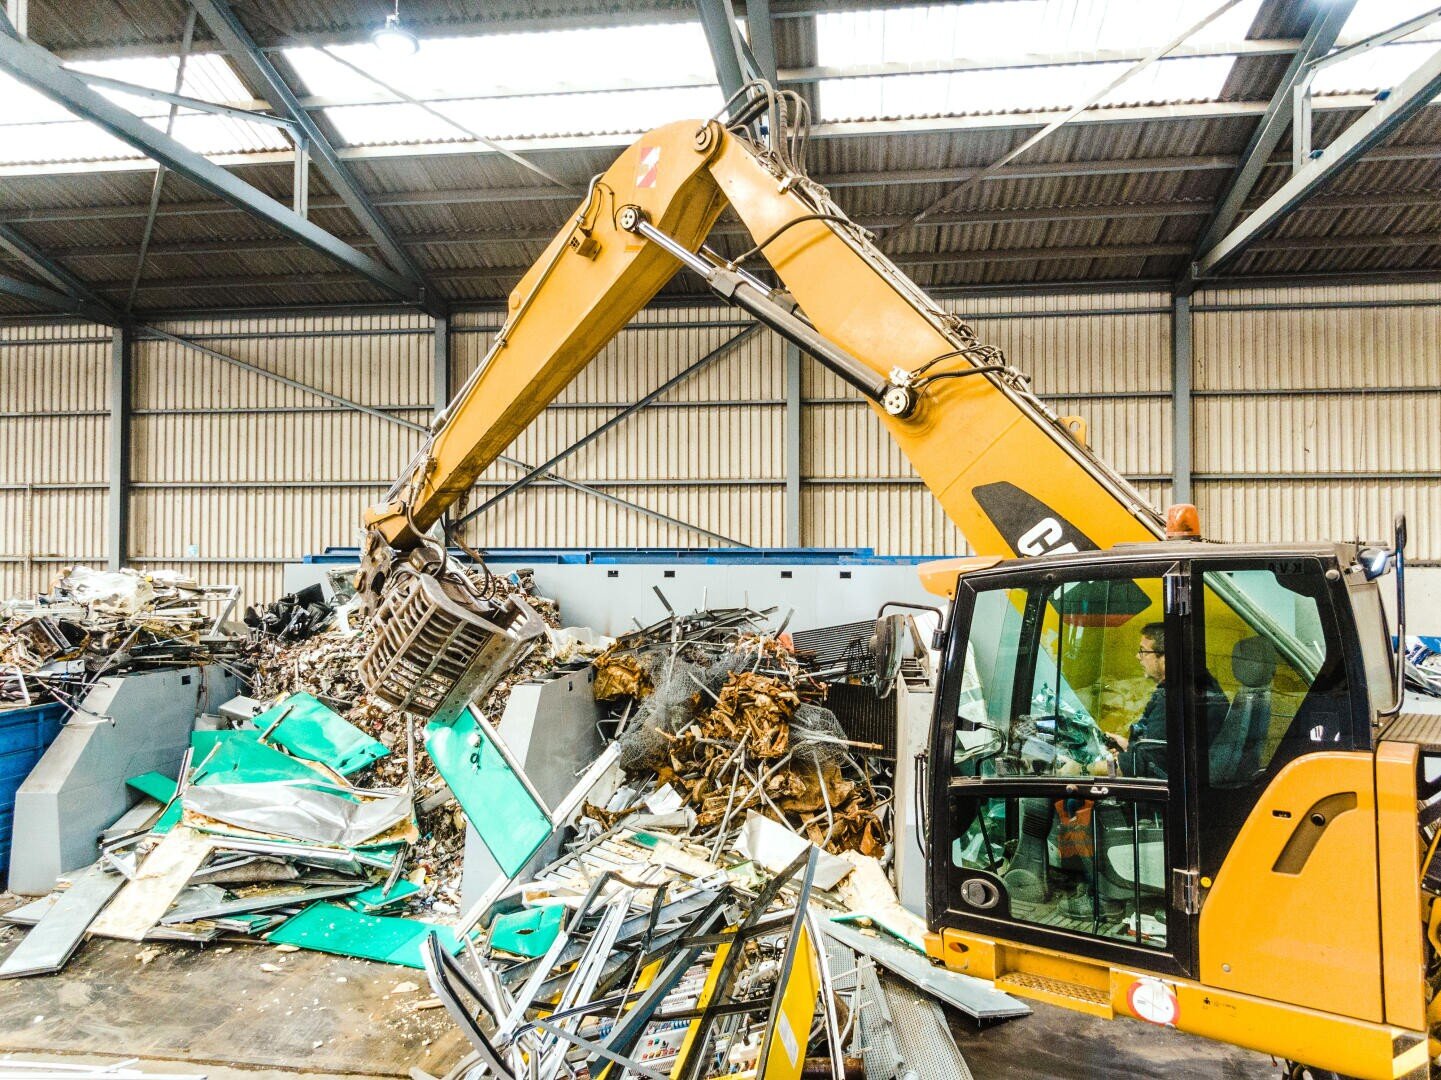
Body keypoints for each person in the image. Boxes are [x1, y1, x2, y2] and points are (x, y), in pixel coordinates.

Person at [1110, 622, 1226, 779]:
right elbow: (1164, 747)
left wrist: (1085, 769)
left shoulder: (1174, 700)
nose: (1138, 657)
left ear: (1166, 657)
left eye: (1143, 651)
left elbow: (1142, 766)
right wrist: (1128, 745)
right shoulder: (1199, 687)